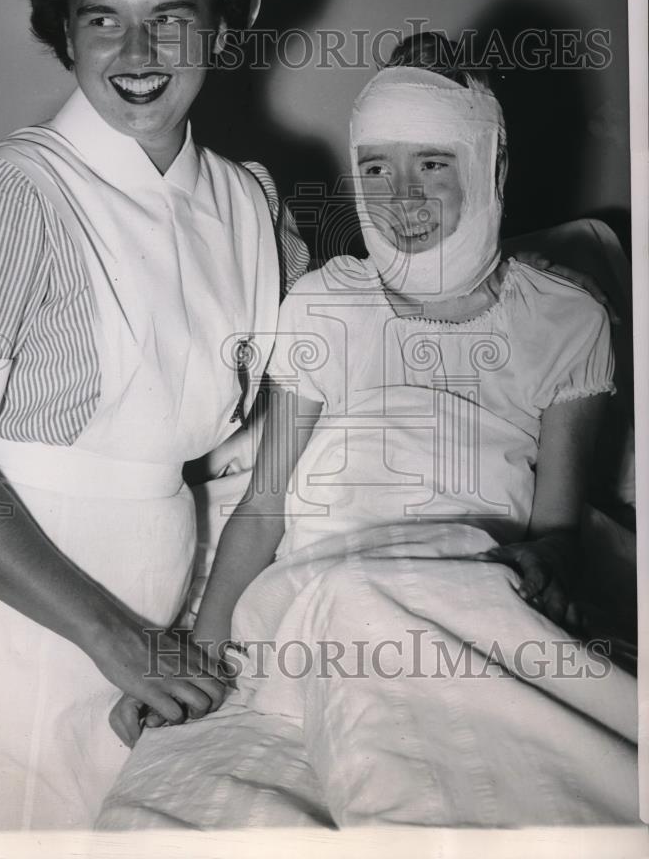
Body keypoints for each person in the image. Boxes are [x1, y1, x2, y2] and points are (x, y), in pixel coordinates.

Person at [0, 0, 309, 832]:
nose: (137, 51)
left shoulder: (251, 203)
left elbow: (307, 399)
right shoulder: (8, 194)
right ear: (66, 38)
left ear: (221, 30)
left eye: (171, 18)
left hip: (161, 586)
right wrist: (114, 639)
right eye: (101, 20)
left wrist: (200, 623)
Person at [178, 48, 637, 825]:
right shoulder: (325, 304)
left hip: (478, 579)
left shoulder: (568, 317)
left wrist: (543, 571)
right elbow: (262, 506)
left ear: (489, 165)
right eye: (377, 168)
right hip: (322, 587)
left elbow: (557, 533)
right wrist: (197, 652)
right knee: (355, 601)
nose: (401, 198)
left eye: (432, 164)